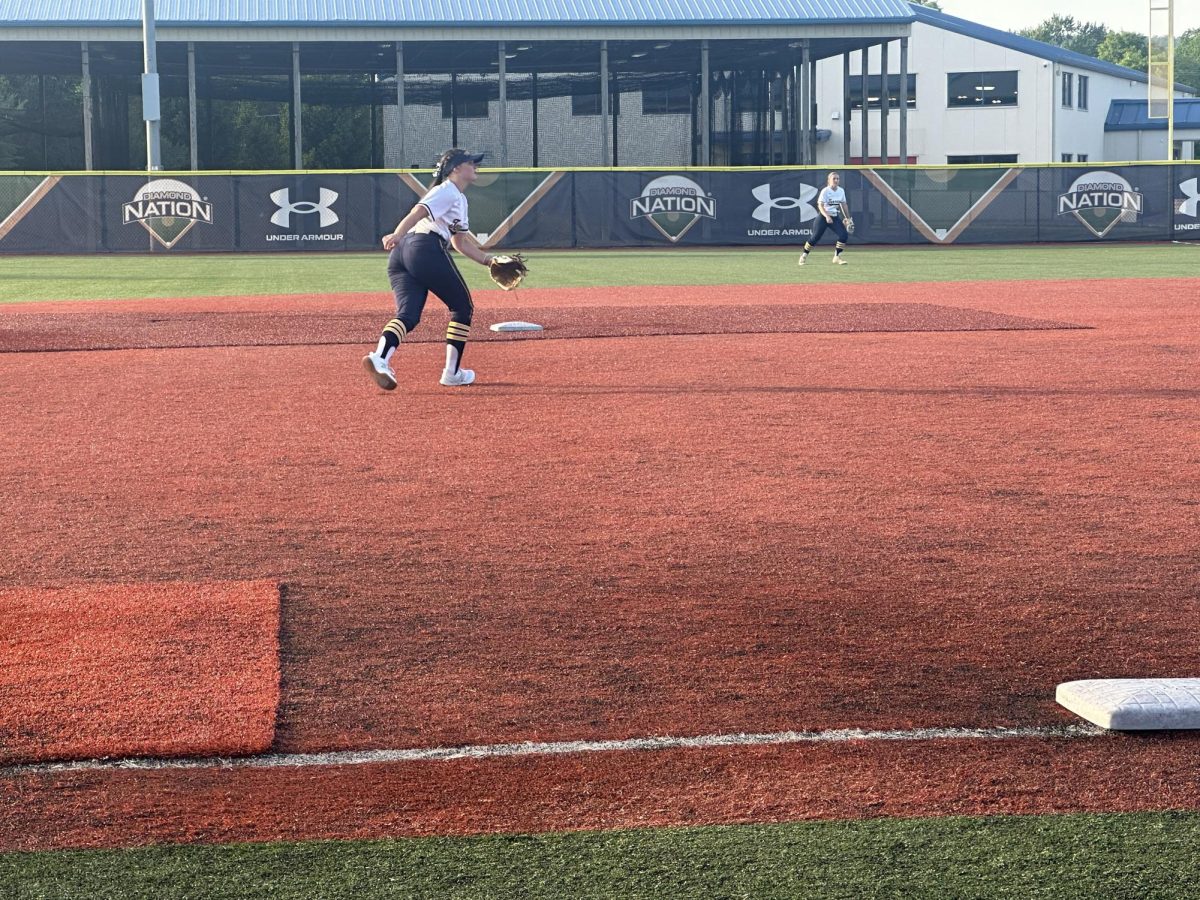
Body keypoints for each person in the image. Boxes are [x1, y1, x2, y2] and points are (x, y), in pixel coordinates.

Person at [363, 148, 500, 390]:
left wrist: (489, 260)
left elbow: (459, 243)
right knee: (462, 307)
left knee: (408, 314)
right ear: (456, 168)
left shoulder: (458, 198)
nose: (475, 167)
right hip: (423, 247)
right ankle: (452, 372)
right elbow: (418, 211)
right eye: (471, 163)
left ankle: (380, 358)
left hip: (402, 255)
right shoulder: (446, 190)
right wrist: (397, 233)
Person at [798, 171, 850, 266]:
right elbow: (820, 205)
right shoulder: (825, 191)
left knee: (844, 235)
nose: (836, 180)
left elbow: (844, 205)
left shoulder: (841, 191)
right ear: (829, 180)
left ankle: (837, 257)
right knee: (814, 238)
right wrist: (826, 216)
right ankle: (803, 256)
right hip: (823, 217)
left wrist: (848, 218)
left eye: (837, 178)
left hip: (834, 216)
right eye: (834, 178)